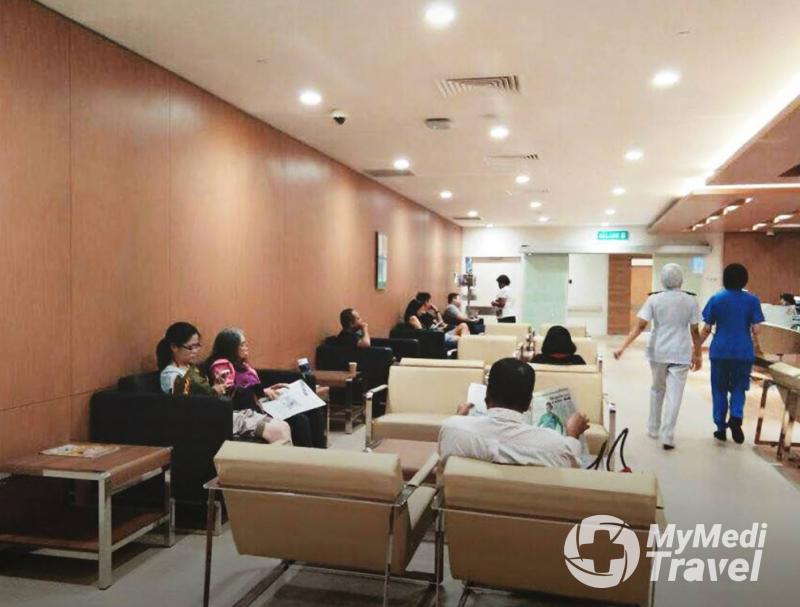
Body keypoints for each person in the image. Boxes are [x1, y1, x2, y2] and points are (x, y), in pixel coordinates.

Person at [438, 358, 590, 467]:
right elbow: (571, 469)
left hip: (460, 504)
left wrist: (458, 418)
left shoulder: (451, 428)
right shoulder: (554, 445)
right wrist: (573, 435)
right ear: (528, 404)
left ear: (486, 398)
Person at [613, 264, 702, 450]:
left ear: (662, 280)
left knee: (657, 389)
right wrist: (698, 354)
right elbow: (694, 330)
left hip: (658, 351)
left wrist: (623, 347)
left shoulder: (654, 299)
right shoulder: (691, 301)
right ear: (681, 280)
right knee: (675, 395)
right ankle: (667, 436)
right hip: (680, 352)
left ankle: (653, 429)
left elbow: (640, 326)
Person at [156, 322, 291, 444]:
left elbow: (205, 392)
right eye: (191, 347)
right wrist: (214, 391)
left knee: (284, 426)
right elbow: (183, 403)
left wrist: (217, 385)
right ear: (174, 347)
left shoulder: (192, 368)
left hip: (222, 412)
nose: (196, 351)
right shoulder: (171, 375)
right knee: (277, 432)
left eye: (197, 346)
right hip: (206, 420)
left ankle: (288, 463)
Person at [206, 328, 326, 448]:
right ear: (231, 348)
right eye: (242, 345)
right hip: (248, 410)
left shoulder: (242, 364)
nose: (246, 347)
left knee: (314, 411)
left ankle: (321, 454)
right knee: (300, 420)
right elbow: (231, 392)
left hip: (261, 403)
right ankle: (306, 457)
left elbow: (252, 389)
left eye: (246, 343)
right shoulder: (222, 365)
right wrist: (260, 393)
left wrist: (266, 390)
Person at [699, 263, 764, 444]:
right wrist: (759, 349)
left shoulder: (716, 299)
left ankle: (720, 428)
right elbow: (756, 329)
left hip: (720, 350)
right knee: (739, 387)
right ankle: (736, 416)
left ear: (725, 279)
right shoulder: (752, 300)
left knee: (719, 389)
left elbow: (706, 329)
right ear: (744, 280)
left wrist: (696, 347)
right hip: (743, 350)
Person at [404, 292, 469, 348]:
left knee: (464, 328)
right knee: (462, 340)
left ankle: (466, 351)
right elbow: (422, 333)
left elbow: (441, 323)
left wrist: (437, 311)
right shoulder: (413, 318)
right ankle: (466, 352)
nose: (422, 311)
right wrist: (435, 329)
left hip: (438, 334)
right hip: (435, 336)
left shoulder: (422, 315)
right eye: (421, 308)